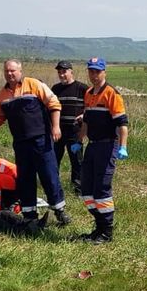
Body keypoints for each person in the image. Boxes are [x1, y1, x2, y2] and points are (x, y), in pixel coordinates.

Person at [0, 59, 71, 226]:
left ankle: (60, 211)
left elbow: (54, 103)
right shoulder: (2, 96)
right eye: (6, 71)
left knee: (49, 176)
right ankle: (29, 216)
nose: (9, 74)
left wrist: (56, 127)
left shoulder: (33, 85)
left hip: (41, 140)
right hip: (21, 144)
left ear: (20, 71)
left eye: (12, 71)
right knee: (25, 180)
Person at [73, 57, 128, 243]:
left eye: (97, 71)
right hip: (93, 145)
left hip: (107, 145)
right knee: (86, 188)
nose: (94, 75)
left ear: (104, 72)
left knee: (102, 188)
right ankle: (98, 227)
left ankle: (107, 232)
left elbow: (122, 124)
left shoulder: (112, 94)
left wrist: (123, 147)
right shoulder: (88, 93)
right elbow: (86, 121)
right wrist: (79, 140)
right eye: (91, 71)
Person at [51, 60, 87, 192]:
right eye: (59, 72)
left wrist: (84, 115)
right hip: (58, 131)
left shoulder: (82, 88)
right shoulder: (55, 89)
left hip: (75, 132)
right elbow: (50, 107)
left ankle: (78, 187)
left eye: (64, 72)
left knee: (77, 161)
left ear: (71, 72)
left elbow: (91, 106)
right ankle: (54, 186)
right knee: (54, 159)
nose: (61, 75)